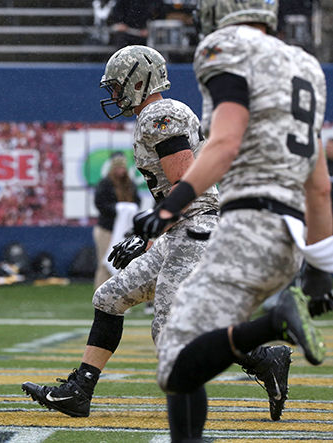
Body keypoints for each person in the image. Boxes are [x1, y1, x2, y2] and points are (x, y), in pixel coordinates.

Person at [21, 45, 292, 422]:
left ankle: (264, 358)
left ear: (138, 80)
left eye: (118, 86)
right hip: (181, 228)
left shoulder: (161, 114)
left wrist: (151, 227)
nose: (113, 95)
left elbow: (187, 185)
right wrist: (151, 234)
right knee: (110, 296)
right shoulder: (155, 115)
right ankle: (80, 390)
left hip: (198, 226)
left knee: (169, 331)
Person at [132, 0, 333, 440]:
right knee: (187, 355)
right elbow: (319, 185)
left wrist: (171, 205)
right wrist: (321, 265)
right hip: (290, 236)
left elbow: (225, 142)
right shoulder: (306, 64)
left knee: (174, 356)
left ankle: (275, 323)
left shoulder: (225, 47)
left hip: (246, 225)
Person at [93, 152, 140, 288]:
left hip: (125, 231)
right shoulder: (105, 184)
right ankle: (100, 295)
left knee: (124, 264)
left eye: (123, 168)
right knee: (104, 263)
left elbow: (137, 201)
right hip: (107, 229)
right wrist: (117, 209)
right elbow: (100, 204)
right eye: (118, 168)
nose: (121, 171)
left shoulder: (129, 184)